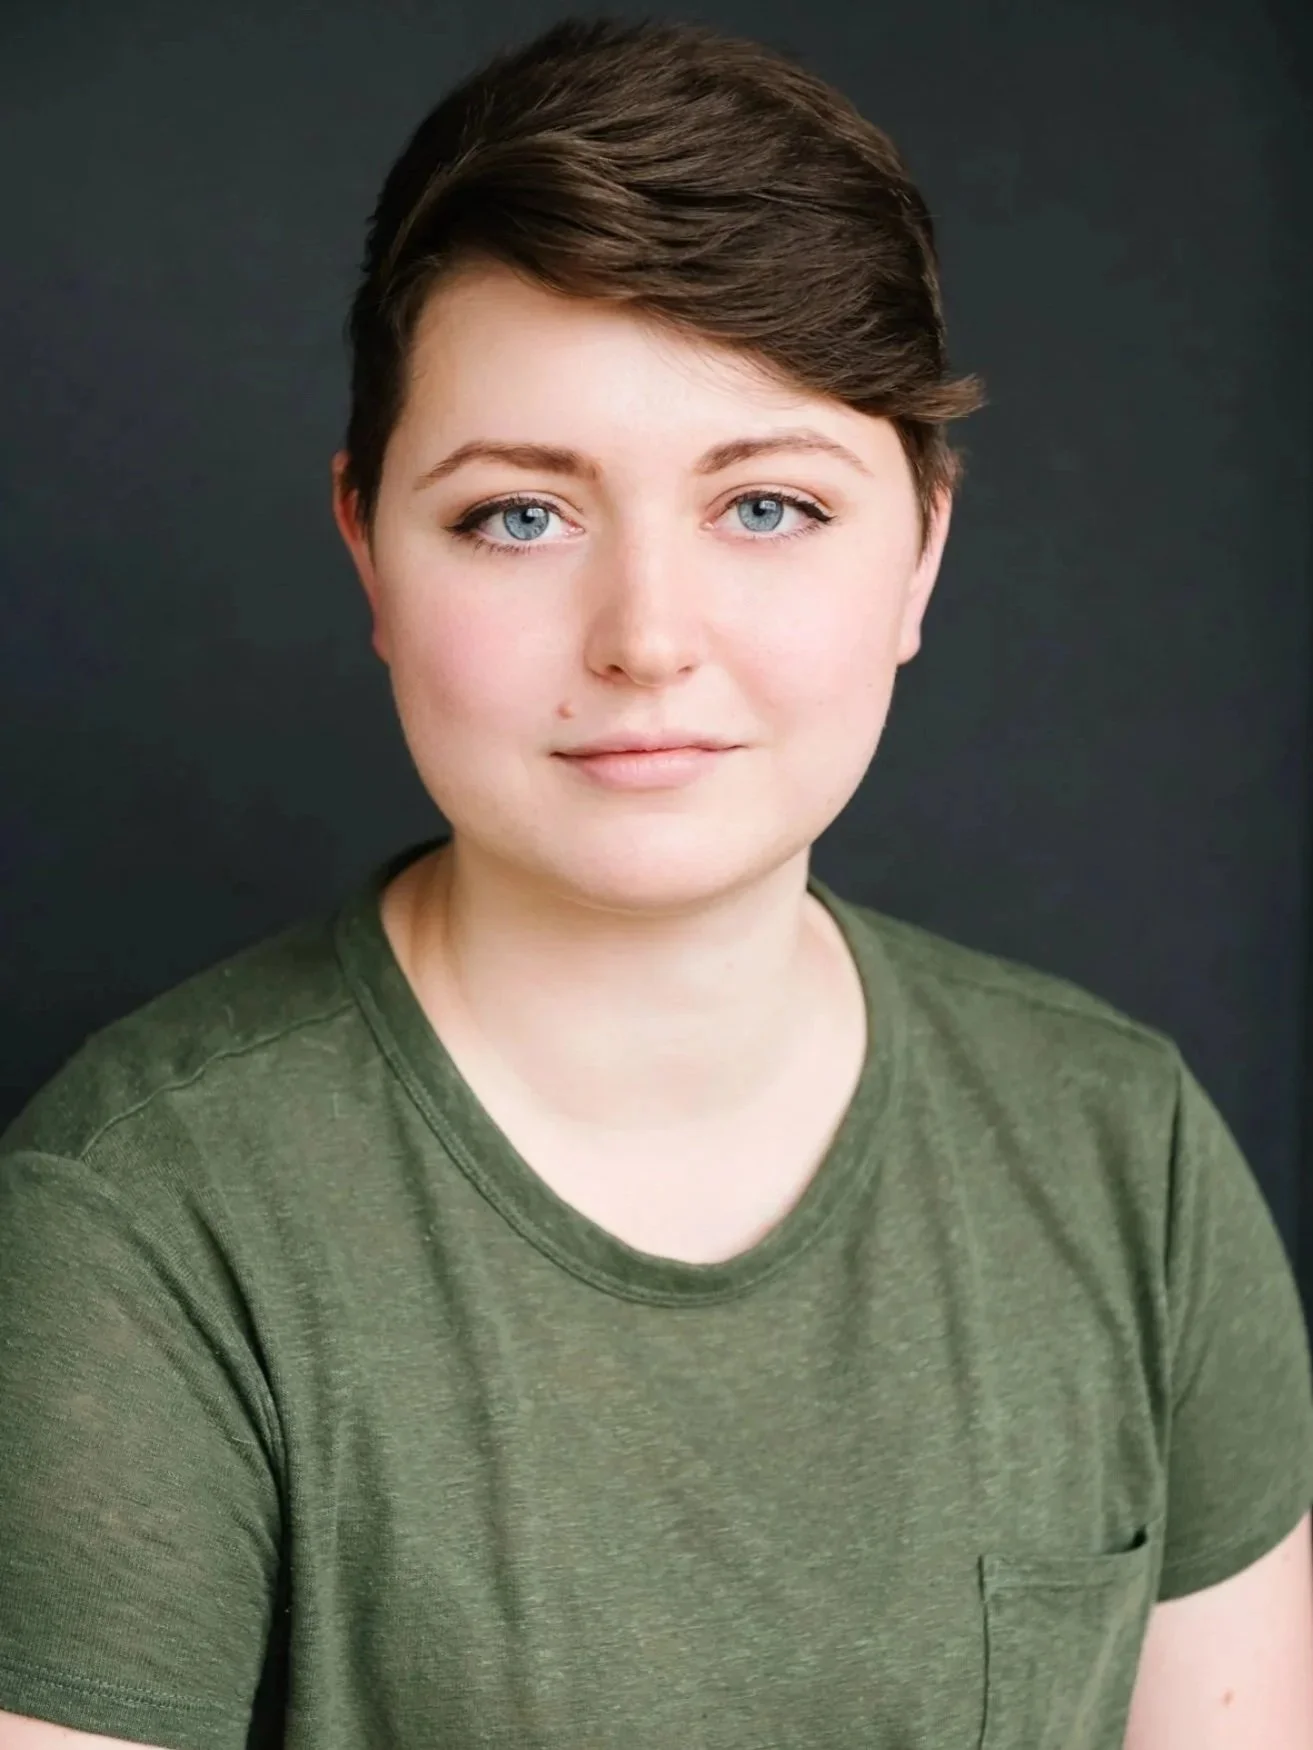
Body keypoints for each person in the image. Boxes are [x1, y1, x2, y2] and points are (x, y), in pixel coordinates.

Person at [1, 14, 1311, 1748]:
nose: (646, 641)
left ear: (921, 548)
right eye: (518, 517)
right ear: (366, 549)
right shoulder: (140, 1227)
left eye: (766, 505)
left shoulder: (1124, 1153)